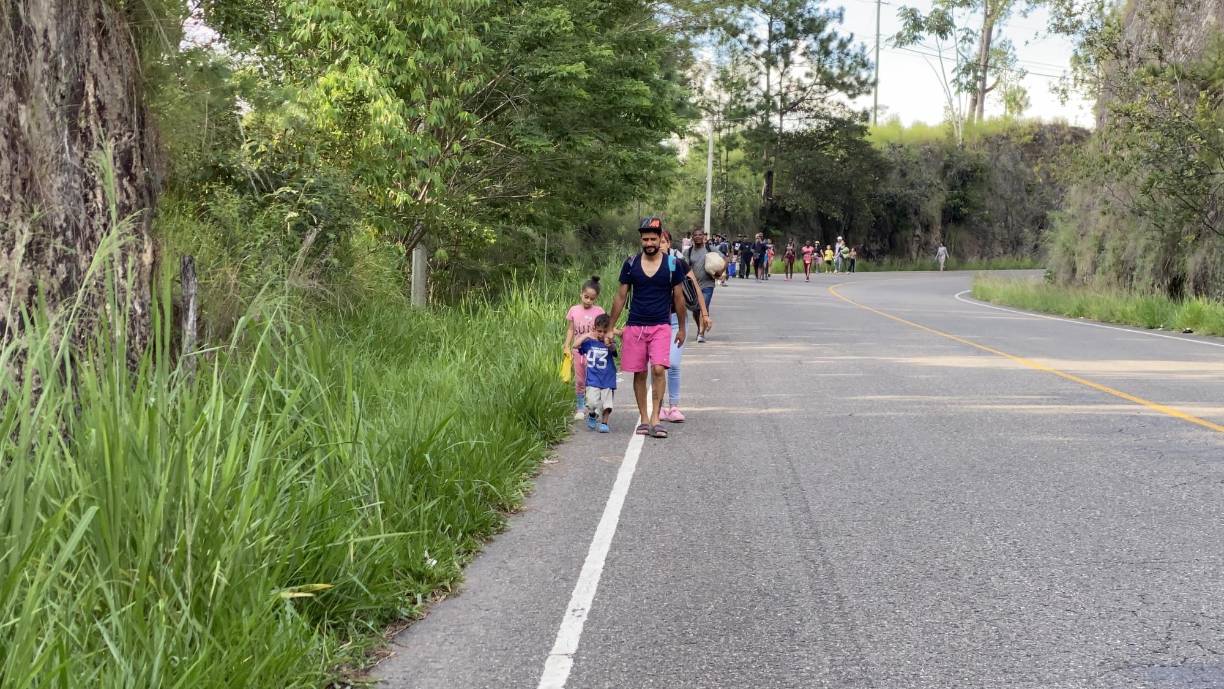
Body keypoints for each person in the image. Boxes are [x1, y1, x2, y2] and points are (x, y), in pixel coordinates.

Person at [608, 217, 688, 438]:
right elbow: (620, 296)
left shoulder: (673, 264)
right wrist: (610, 327)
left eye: (654, 238)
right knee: (640, 373)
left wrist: (681, 328)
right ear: (641, 239)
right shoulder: (631, 263)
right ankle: (644, 418)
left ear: (661, 238)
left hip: (661, 325)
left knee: (659, 369)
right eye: (646, 239)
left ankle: (655, 419)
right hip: (635, 326)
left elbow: (679, 299)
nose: (650, 242)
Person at [660, 230, 709, 422]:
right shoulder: (646, 263)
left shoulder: (677, 263)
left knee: (672, 363)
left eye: (664, 241)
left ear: (669, 244)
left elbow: (695, 285)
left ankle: (673, 406)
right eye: (658, 241)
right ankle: (659, 407)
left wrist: (704, 314)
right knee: (657, 366)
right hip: (655, 321)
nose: (660, 245)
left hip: (675, 320)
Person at [562, 275, 605, 420]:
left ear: (596, 298)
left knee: (594, 379)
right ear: (581, 294)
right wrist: (566, 345)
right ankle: (580, 407)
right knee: (580, 380)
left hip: (594, 352)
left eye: (592, 299)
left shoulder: (599, 311)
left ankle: (596, 405)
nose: (588, 301)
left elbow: (603, 330)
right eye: (586, 297)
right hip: (578, 350)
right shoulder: (574, 310)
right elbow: (570, 330)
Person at [576, 314, 617, 433]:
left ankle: (604, 423)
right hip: (593, 379)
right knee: (591, 403)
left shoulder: (609, 342)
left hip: (608, 379)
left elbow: (614, 350)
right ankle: (593, 414)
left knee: (607, 404)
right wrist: (587, 335)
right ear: (594, 329)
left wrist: (610, 344)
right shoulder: (589, 343)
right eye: (599, 331)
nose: (602, 334)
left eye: (605, 331)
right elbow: (575, 345)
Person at [683, 228, 719, 343]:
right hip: (692, 286)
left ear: (704, 236)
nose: (698, 236)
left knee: (704, 306)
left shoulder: (710, 249)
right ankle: (700, 327)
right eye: (695, 235)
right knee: (695, 309)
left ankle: (701, 333)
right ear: (692, 237)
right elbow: (684, 267)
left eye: (700, 235)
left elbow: (724, 259)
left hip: (708, 284)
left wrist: (720, 271)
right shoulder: (688, 252)